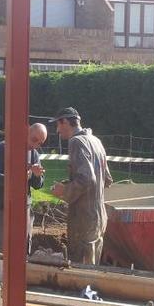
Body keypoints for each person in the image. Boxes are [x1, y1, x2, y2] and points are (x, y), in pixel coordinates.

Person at [50, 107, 112, 264]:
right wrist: (71, 182)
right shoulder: (96, 141)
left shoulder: (76, 142)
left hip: (84, 219)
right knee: (92, 267)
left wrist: (64, 191)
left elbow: (87, 179)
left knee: (81, 272)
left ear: (65, 121)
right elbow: (106, 179)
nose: (57, 130)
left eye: (57, 125)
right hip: (99, 216)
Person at [0, 123, 48, 255]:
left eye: (40, 143)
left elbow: (38, 184)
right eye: (34, 140)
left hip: (24, 211)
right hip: (1, 210)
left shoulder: (34, 154)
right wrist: (15, 179)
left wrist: (36, 176)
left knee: (22, 252)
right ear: (26, 133)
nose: (35, 145)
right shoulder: (4, 148)